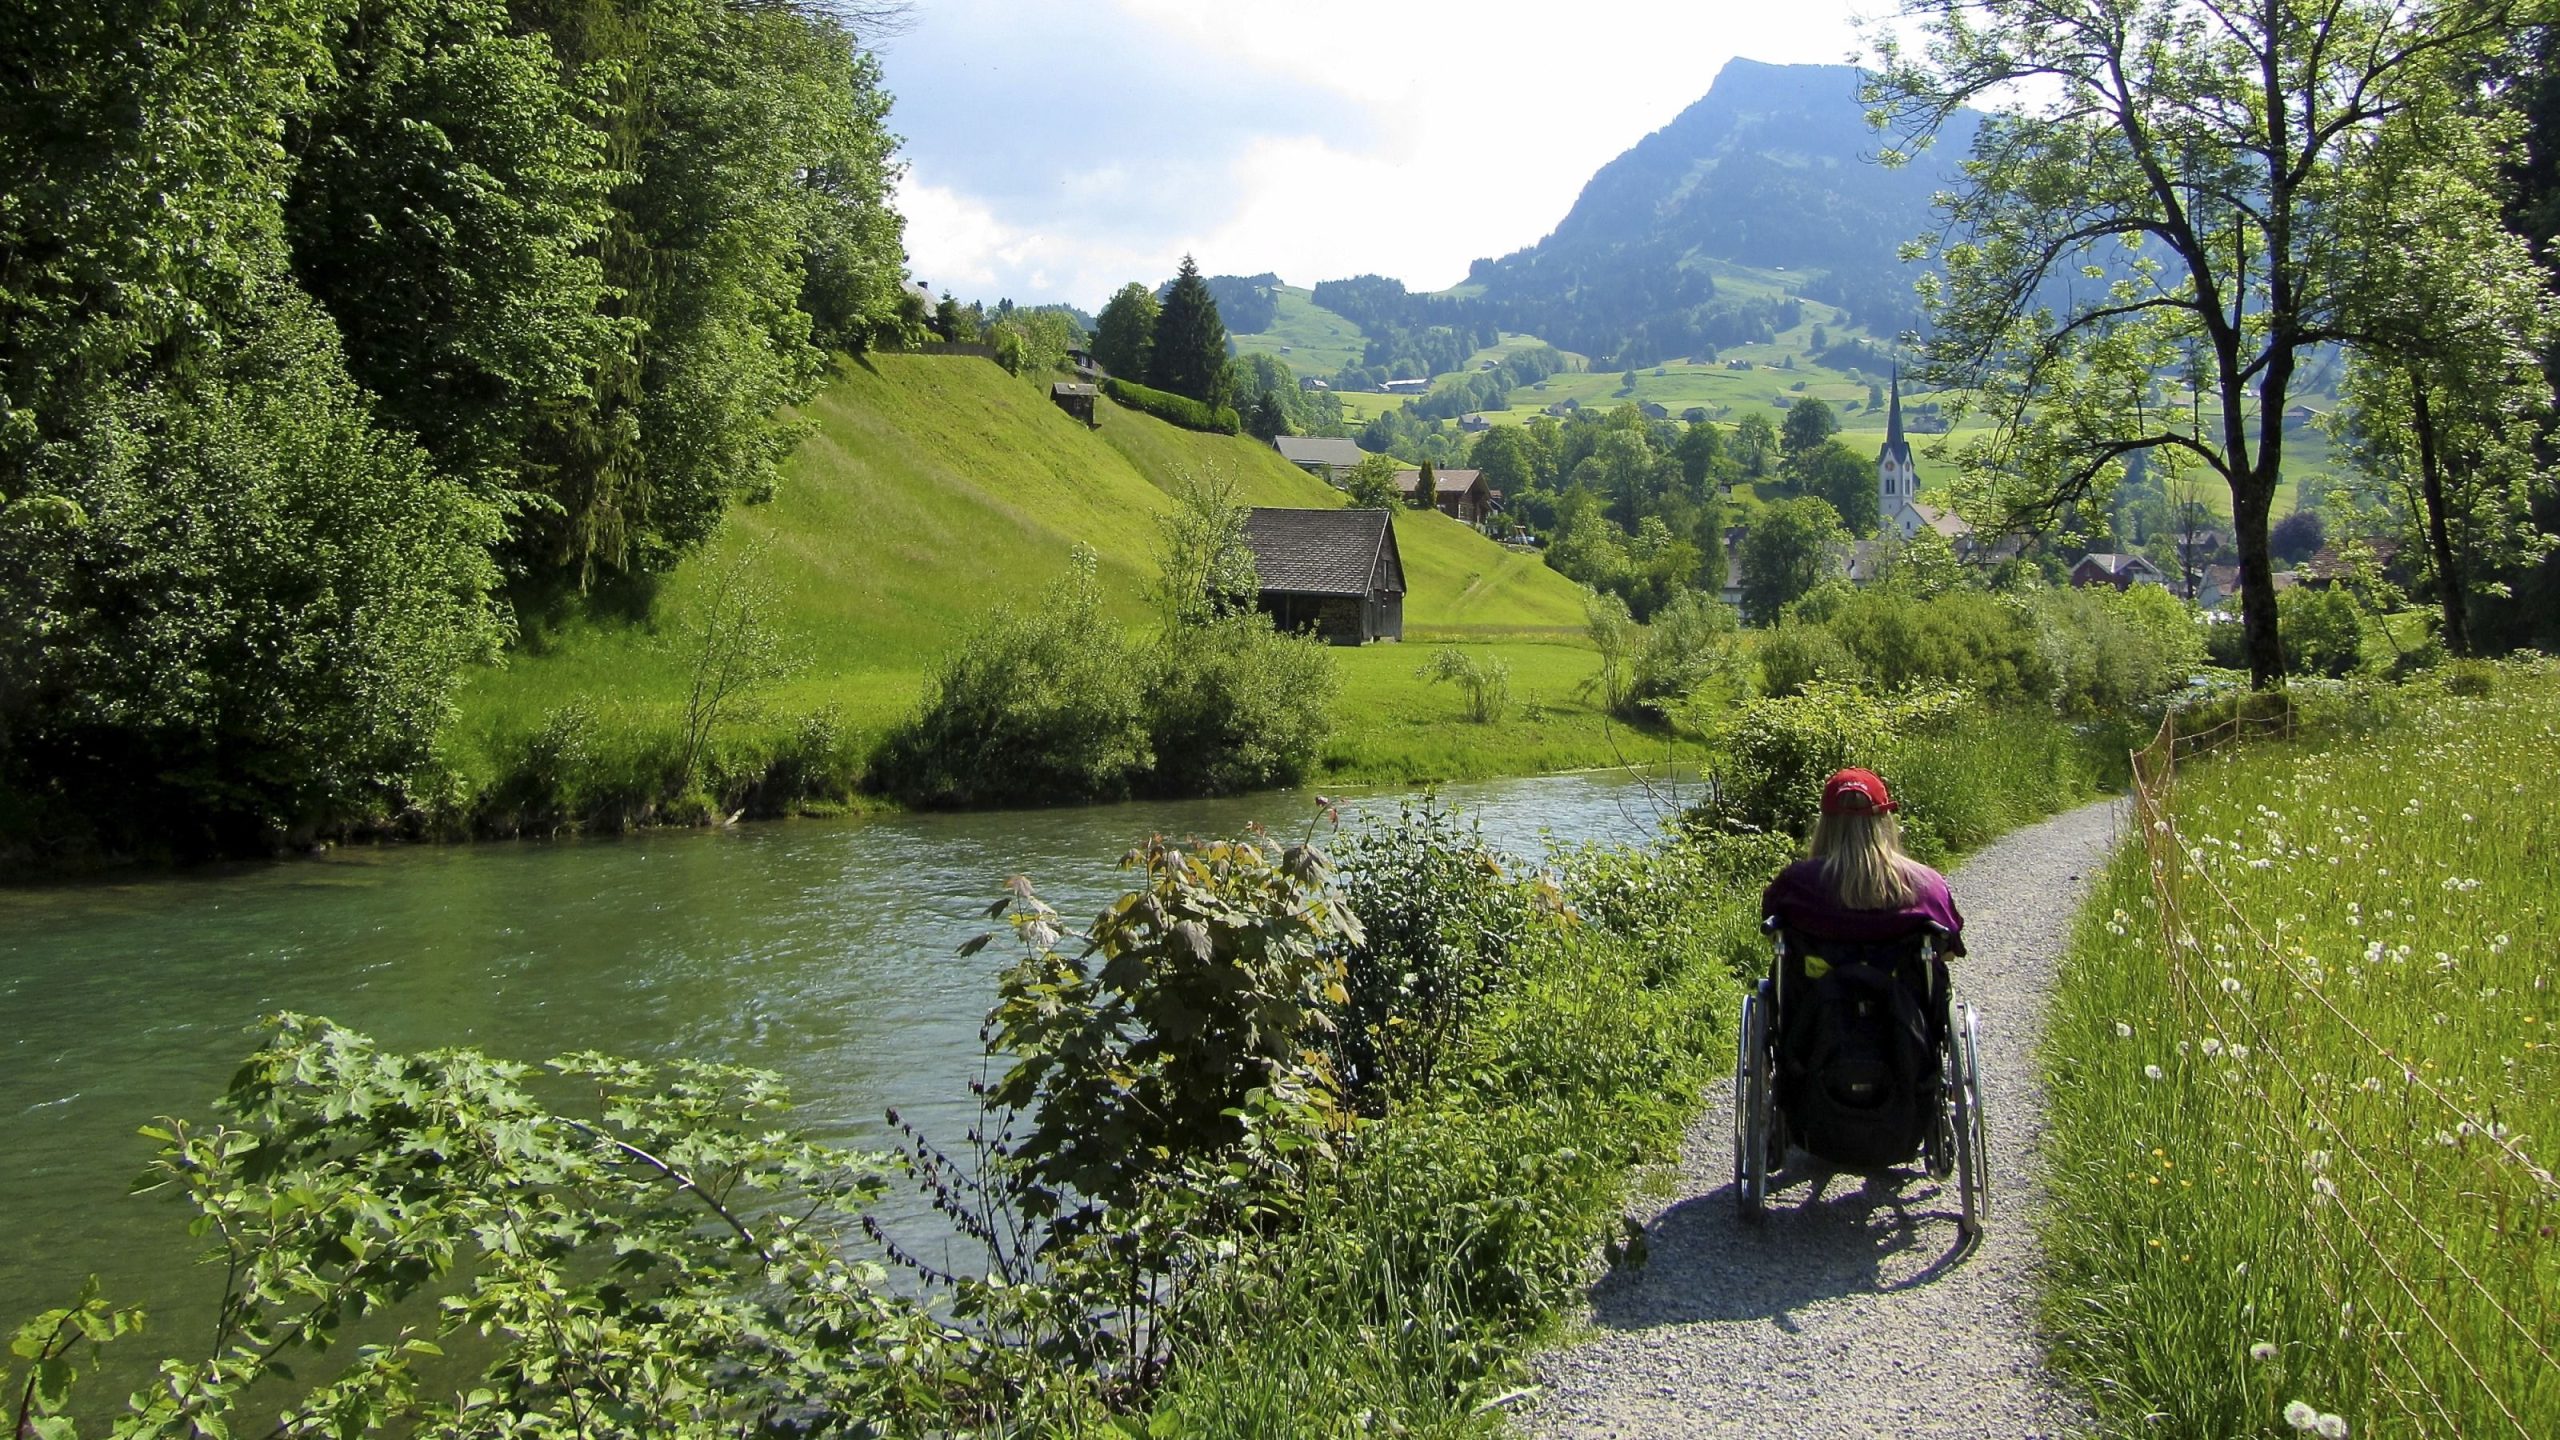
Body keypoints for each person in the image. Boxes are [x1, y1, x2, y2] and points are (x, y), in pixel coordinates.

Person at [1760, 767, 1965, 956]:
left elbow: (1773, 934)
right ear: (1885, 821)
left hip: (1813, 985)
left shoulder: (1795, 883)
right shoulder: (1926, 885)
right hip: (1903, 985)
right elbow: (1949, 951)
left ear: (1824, 824)